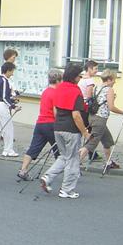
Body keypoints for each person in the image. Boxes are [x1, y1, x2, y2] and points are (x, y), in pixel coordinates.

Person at [40, 63, 88, 199]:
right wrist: (84, 132)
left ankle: (48, 177)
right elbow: (76, 115)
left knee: (63, 156)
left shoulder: (59, 88)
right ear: (74, 77)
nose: (80, 78)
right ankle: (67, 189)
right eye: (80, 76)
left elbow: (55, 109)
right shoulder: (76, 91)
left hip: (58, 127)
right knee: (73, 159)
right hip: (71, 129)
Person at [78, 69, 123, 169]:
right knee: (91, 143)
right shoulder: (109, 90)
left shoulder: (97, 87)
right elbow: (111, 107)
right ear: (109, 79)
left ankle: (109, 162)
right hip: (100, 119)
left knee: (107, 140)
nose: (115, 81)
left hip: (92, 117)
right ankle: (75, 162)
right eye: (114, 79)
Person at [17, 69, 61, 181]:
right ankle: (54, 173)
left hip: (40, 122)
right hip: (51, 124)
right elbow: (56, 111)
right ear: (58, 80)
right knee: (59, 149)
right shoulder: (56, 93)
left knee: (34, 148)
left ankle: (23, 170)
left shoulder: (45, 91)